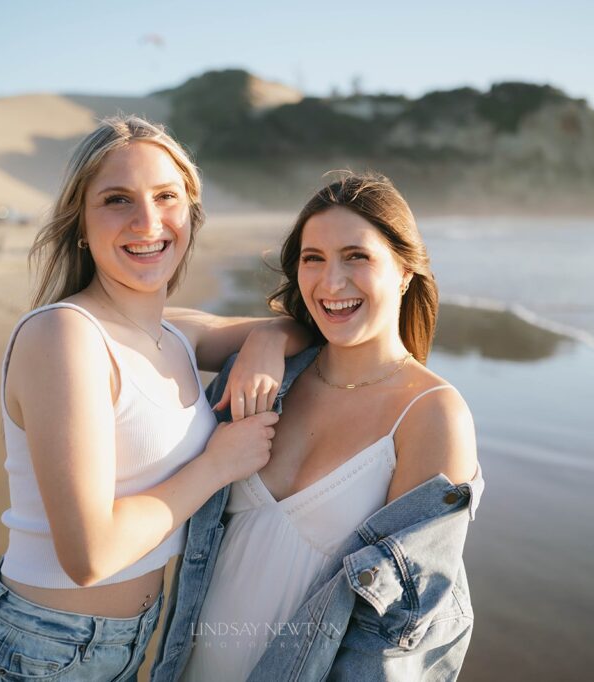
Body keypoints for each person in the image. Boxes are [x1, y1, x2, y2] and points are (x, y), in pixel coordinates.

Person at [0, 116, 307, 682]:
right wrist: (218, 465)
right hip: (37, 653)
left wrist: (265, 343)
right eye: (117, 200)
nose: (148, 221)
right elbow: (90, 554)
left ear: (191, 215)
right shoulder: (65, 336)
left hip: (124, 647)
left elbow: (307, 328)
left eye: (167, 197)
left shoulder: (174, 334)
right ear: (80, 224)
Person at [151, 173, 484, 681]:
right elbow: (149, 326)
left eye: (356, 256)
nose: (331, 283)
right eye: (314, 259)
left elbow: (398, 637)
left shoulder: (431, 414)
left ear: (405, 271)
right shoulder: (269, 380)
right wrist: (268, 333)